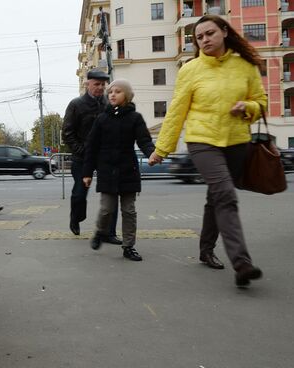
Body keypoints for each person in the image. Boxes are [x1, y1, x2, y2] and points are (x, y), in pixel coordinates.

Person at [148, 15, 266, 286]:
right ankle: (242, 262)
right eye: (199, 38)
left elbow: (261, 102)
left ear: (224, 32)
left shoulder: (245, 65)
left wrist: (247, 108)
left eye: (209, 33)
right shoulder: (191, 70)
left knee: (217, 198)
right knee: (226, 194)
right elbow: (177, 112)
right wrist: (161, 149)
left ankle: (205, 249)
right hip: (202, 141)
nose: (204, 40)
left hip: (237, 142)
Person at [83, 79, 154, 261]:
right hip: (107, 170)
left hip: (128, 170)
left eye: (118, 91)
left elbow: (144, 140)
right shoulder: (102, 119)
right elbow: (91, 147)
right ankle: (100, 232)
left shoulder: (135, 118)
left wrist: (152, 154)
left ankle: (129, 246)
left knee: (129, 211)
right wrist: (87, 173)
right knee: (107, 209)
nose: (112, 94)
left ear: (127, 96)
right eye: (111, 91)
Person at [62, 70, 121, 244]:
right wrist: (80, 150)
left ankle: (109, 232)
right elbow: (67, 133)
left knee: (112, 193)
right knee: (80, 193)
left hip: (105, 157)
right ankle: (76, 218)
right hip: (82, 157)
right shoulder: (76, 104)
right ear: (87, 84)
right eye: (97, 84)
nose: (100, 88)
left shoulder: (109, 104)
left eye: (103, 85)